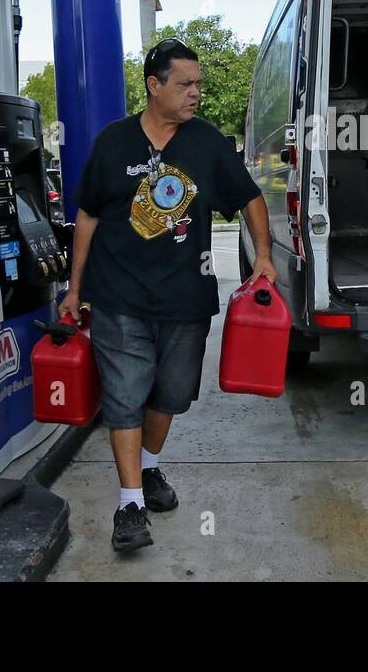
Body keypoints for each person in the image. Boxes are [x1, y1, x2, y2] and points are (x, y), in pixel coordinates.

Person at [60, 38, 276, 553]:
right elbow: (87, 214)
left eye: (198, 83)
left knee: (172, 394)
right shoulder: (113, 143)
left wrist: (263, 255)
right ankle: (130, 503)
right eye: (185, 84)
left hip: (186, 296)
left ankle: (149, 467)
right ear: (154, 87)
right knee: (125, 394)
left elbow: (249, 197)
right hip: (118, 295)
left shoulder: (206, 144)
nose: (196, 93)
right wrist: (74, 287)